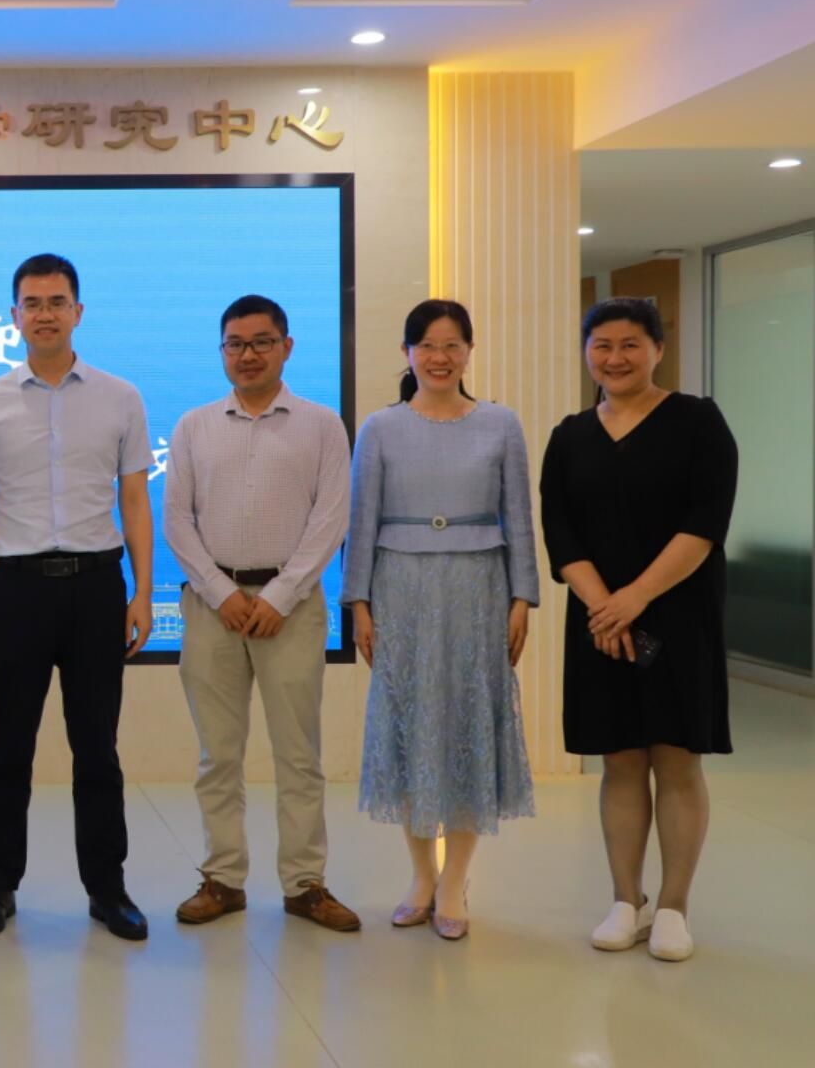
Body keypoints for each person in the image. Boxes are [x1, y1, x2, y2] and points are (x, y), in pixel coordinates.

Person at [0, 253, 155, 942]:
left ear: (78, 311)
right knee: (7, 748)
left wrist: (143, 592)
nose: (45, 313)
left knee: (97, 748)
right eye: (32, 303)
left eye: (57, 301)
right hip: (15, 590)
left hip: (98, 587)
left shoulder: (120, 397)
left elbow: (135, 500)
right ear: (14, 315)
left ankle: (108, 888)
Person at [541, 296, 738, 962]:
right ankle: (627, 900)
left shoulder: (698, 422)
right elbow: (560, 532)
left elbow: (705, 524)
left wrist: (635, 598)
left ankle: (675, 907)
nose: (615, 358)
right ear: (586, 352)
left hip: (678, 615)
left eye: (630, 344)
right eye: (602, 345)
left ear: (658, 349)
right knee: (620, 759)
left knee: (676, 758)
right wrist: (605, 605)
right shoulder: (569, 436)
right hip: (600, 622)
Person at [344, 299, 538, 940]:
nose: (439, 357)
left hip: (478, 589)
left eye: (453, 344)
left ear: (469, 351)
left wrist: (522, 597)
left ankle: (456, 879)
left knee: (466, 726)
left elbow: (519, 518)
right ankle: (421, 875)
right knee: (409, 729)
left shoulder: (501, 424)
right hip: (400, 589)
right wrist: (359, 604)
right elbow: (361, 523)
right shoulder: (380, 427)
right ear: (407, 353)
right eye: (426, 344)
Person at [164, 295, 358, 934]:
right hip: (211, 609)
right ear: (222, 351)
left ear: (286, 347)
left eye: (261, 342)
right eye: (235, 344)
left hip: (291, 611)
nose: (248, 354)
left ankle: (305, 885)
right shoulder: (193, 426)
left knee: (299, 756)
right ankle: (223, 879)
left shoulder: (321, 425)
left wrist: (279, 595)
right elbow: (177, 521)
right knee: (217, 757)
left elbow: (331, 518)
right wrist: (221, 592)